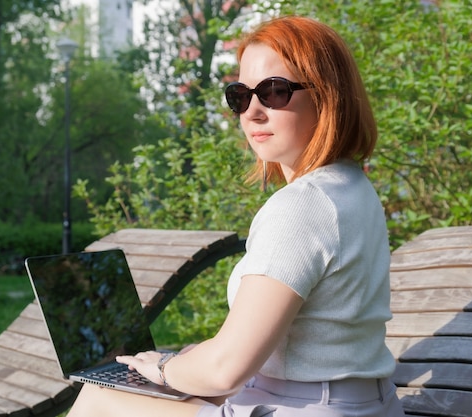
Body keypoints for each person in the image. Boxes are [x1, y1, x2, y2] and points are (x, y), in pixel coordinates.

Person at [66, 15, 405, 417]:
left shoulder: (303, 205)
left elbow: (227, 371)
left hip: (304, 408)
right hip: (361, 404)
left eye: (275, 92)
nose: (252, 112)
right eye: (240, 96)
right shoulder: (353, 188)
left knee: (98, 397)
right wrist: (188, 363)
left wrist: (161, 367)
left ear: (327, 96)